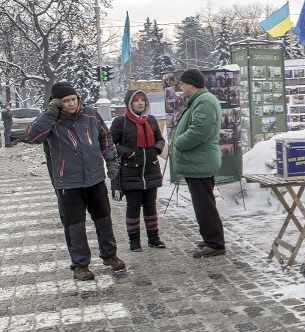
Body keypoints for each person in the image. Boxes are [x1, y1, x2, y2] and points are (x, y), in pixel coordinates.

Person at [26, 81, 126, 280]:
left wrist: (111, 161)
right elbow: (33, 136)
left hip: (95, 178)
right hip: (68, 183)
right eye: (65, 101)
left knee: (104, 220)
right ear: (56, 102)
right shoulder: (51, 120)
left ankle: (109, 255)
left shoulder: (90, 114)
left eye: (73, 99)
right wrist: (51, 112)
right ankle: (80, 265)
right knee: (75, 226)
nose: (71, 104)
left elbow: (105, 137)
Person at [170, 69, 226, 258]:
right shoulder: (200, 100)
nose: (182, 87)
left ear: (192, 85)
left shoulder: (205, 101)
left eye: (184, 84)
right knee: (203, 203)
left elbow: (200, 131)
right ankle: (211, 237)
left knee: (204, 205)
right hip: (197, 161)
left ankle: (215, 243)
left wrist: (178, 143)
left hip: (199, 161)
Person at [110, 90, 167, 252]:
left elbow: (160, 139)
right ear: (130, 103)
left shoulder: (151, 120)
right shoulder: (121, 122)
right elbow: (110, 144)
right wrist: (128, 152)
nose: (140, 103)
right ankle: (134, 241)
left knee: (150, 206)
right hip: (130, 171)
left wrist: (156, 149)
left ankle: (154, 238)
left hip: (150, 169)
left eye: (143, 100)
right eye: (136, 100)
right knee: (133, 206)